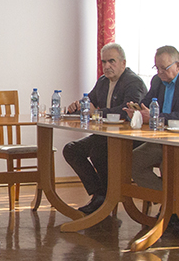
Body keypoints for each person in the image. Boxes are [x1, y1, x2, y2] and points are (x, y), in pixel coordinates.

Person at [61, 43, 147, 214]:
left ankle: (109, 196)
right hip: (105, 136)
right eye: (104, 62)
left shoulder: (133, 82)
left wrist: (97, 112)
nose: (107, 66)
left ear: (123, 63)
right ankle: (100, 194)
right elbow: (89, 102)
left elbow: (127, 111)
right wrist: (77, 107)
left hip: (128, 138)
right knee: (71, 149)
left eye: (111, 61)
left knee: (98, 151)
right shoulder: (103, 81)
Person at [124, 45, 179, 192]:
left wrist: (156, 117)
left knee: (168, 165)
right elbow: (146, 104)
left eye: (164, 68)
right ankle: (167, 197)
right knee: (131, 162)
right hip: (160, 139)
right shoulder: (157, 80)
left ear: (178, 65)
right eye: (157, 68)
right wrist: (137, 112)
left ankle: (173, 201)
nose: (159, 72)